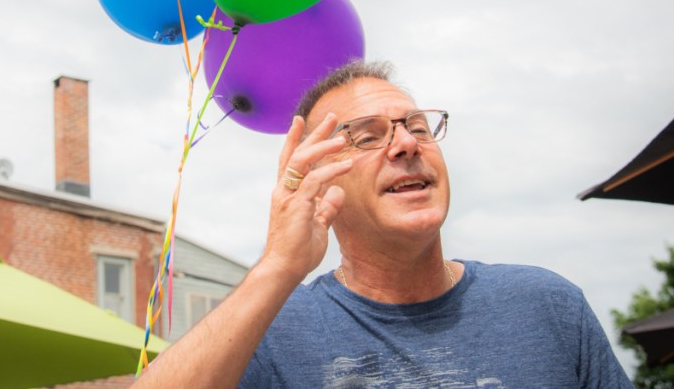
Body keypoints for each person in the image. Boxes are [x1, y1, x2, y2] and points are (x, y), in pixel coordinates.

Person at [134, 60, 632, 388]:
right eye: (368, 136)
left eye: (417, 127)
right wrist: (278, 265)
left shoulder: (548, 305)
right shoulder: (270, 334)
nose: (407, 143)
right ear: (319, 182)